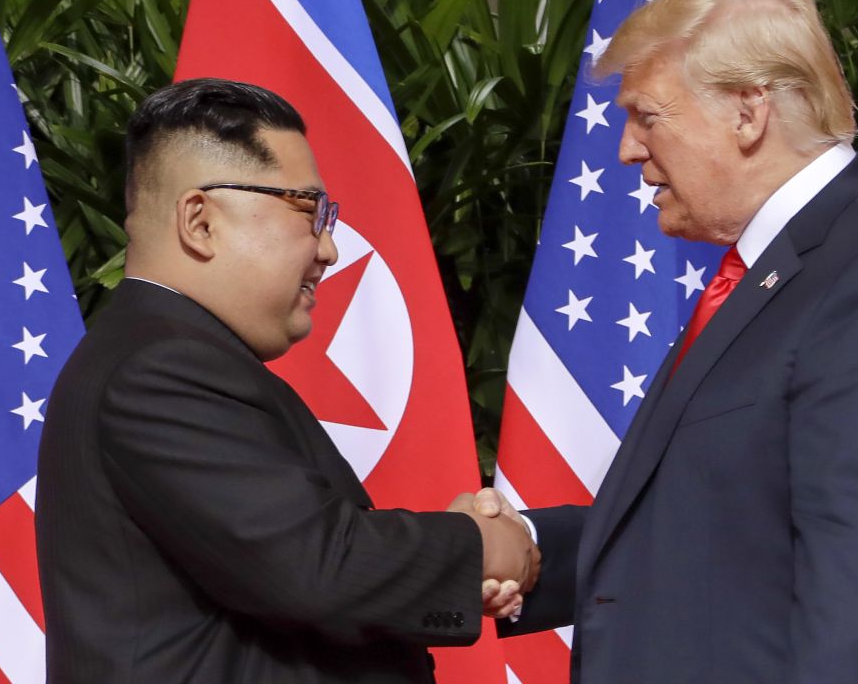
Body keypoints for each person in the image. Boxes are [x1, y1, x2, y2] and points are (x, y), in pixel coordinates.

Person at [474, 0, 858, 683]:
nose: (627, 149)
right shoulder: (778, 268)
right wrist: (526, 545)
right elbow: (712, 530)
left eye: (648, 115)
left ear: (749, 111)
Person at [36, 78, 535, 683]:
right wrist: (479, 547)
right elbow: (318, 568)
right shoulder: (159, 369)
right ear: (200, 221)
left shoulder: (165, 354)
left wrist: (513, 546)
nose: (328, 248)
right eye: (309, 209)